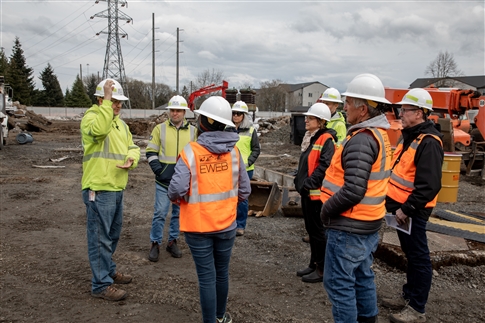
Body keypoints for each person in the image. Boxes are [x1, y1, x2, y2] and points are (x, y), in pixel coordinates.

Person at [168, 96, 251, 323]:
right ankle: (220, 317)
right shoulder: (234, 153)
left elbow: (175, 189)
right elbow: (245, 190)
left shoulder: (191, 152)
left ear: (203, 122)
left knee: (207, 277)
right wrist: (227, 204)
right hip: (226, 225)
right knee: (221, 273)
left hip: (198, 226)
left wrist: (181, 200)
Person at [320, 73, 392, 323]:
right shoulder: (377, 134)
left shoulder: (362, 139)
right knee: (362, 276)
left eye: (348, 102)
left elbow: (353, 190)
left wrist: (326, 210)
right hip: (367, 223)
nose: (344, 107)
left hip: (350, 226)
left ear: (363, 110)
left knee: (339, 285)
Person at [384, 88, 444, 323]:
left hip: (412, 211)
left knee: (418, 257)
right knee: (411, 254)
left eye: (405, 109)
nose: (400, 113)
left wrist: (406, 209)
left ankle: (417, 309)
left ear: (419, 113)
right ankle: (409, 297)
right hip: (401, 209)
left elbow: (429, 185)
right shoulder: (411, 136)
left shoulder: (428, 142)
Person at [81, 79, 140, 301]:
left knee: (112, 235)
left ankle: (108, 269)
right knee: (100, 238)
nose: (117, 106)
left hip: (116, 187)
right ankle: (100, 284)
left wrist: (131, 160)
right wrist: (106, 103)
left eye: (119, 102)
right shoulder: (92, 118)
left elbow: (133, 147)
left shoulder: (121, 125)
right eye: (113, 101)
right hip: (98, 187)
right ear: (101, 99)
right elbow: (98, 132)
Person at [147, 95, 196, 262]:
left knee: (177, 214)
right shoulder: (159, 129)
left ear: (184, 112)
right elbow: (151, 151)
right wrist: (158, 170)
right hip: (163, 181)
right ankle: (155, 243)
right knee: (160, 213)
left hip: (183, 183)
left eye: (178, 111)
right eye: (172, 110)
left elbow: (197, 155)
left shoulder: (193, 132)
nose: (175, 113)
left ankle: (172, 241)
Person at [293, 103, 337, 283]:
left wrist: (308, 184)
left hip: (316, 194)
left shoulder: (326, 139)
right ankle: (314, 263)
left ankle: (322, 269)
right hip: (307, 193)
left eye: (310, 118)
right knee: (312, 230)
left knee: (318, 232)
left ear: (321, 121)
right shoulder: (312, 137)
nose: (306, 120)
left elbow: (324, 166)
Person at [231, 100, 260, 236]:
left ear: (244, 115)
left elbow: (256, 149)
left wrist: (248, 162)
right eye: (234, 113)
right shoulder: (227, 129)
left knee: (242, 198)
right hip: (229, 168)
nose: (235, 116)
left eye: (238, 114)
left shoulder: (251, 130)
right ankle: (229, 222)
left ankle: (240, 225)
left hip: (245, 170)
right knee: (229, 196)